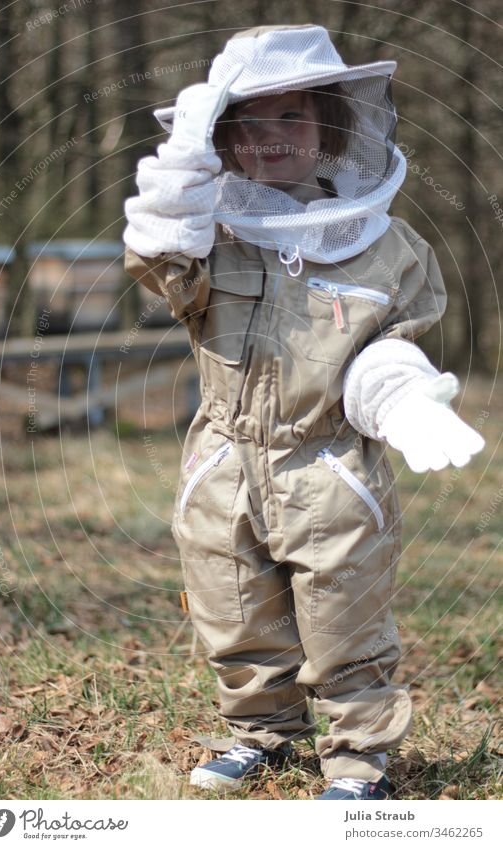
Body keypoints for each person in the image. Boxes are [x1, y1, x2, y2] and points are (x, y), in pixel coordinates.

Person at [122, 24, 484, 800]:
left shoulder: (388, 246)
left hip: (327, 463)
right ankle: (263, 733)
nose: (269, 138)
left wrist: (404, 400)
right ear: (221, 141)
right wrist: (180, 171)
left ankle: (357, 758)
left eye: (289, 117)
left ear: (332, 125)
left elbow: (386, 341)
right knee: (231, 604)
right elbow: (160, 267)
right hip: (223, 456)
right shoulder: (211, 236)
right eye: (246, 124)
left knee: (342, 611)